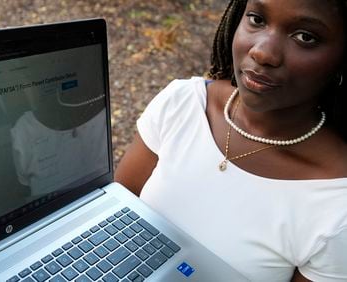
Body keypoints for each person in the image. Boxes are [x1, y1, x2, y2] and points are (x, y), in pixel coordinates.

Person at [115, 0, 347, 281]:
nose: (262, 52)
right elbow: (113, 217)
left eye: (305, 37)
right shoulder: (184, 104)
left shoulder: (336, 202)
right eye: (257, 19)